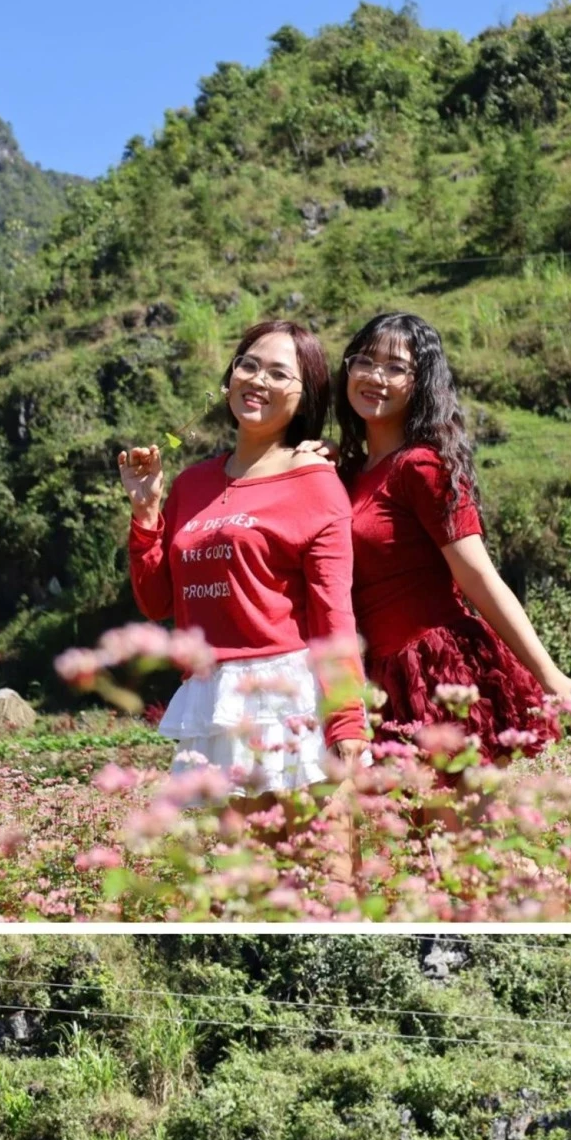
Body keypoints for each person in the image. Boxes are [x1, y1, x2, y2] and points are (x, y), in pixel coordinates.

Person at [330, 312, 571, 755]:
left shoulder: (422, 466)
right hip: (377, 678)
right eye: (365, 361)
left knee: (453, 803)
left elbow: (478, 577)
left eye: (395, 367)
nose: (375, 376)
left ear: (420, 382)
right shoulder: (347, 474)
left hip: (436, 669)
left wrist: (553, 679)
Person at [119, 319, 369, 798]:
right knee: (240, 850)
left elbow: (333, 611)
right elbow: (157, 603)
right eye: (248, 365)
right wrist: (146, 512)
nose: (257, 380)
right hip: (214, 699)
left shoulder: (315, 482)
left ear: (305, 398)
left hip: (290, 697)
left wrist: (346, 717)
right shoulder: (191, 484)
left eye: (278, 373)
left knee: (317, 846)